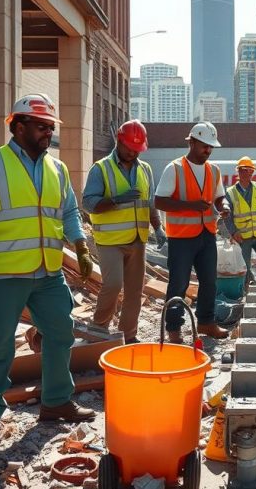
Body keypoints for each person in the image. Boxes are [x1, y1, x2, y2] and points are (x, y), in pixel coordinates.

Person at [0, 93, 96, 444]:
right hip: (4, 272)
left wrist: (80, 246)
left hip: (47, 271)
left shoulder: (57, 168)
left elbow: (68, 213)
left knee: (62, 333)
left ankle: (56, 401)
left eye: (51, 126)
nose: (48, 132)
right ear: (18, 126)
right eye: (41, 126)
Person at [82, 120, 165, 344]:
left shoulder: (145, 169)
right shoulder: (101, 169)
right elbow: (88, 203)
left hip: (138, 240)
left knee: (135, 291)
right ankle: (98, 330)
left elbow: (148, 202)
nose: (133, 152)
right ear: (119, 141)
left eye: (137, 149)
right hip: (110, 241)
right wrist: (115, 200)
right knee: (113, 284)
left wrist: (158, 227)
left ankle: (128, 335)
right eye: (129, 148)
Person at [153, 122, 231, 343]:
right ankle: (174, 328)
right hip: (181, 238)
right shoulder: (175, 168)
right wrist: (190, 205)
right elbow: (160, 201)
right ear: (192, 142)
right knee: (179, 283)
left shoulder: (213, 170)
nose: (207, 150)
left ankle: (206, 322)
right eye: (204, 146)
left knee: (210, 281)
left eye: (211, 147)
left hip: (207, 234)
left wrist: (223, 206)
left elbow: (218, 196)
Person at [224, 156, 256, 289]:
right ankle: (246, 287)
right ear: (238, 172)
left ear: (252, 173)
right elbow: (227, 216)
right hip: (242, 236)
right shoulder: (230, 192)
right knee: (244, 264)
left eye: (250, 171)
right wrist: (233, 232)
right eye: (243, 170)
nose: (247, 173)